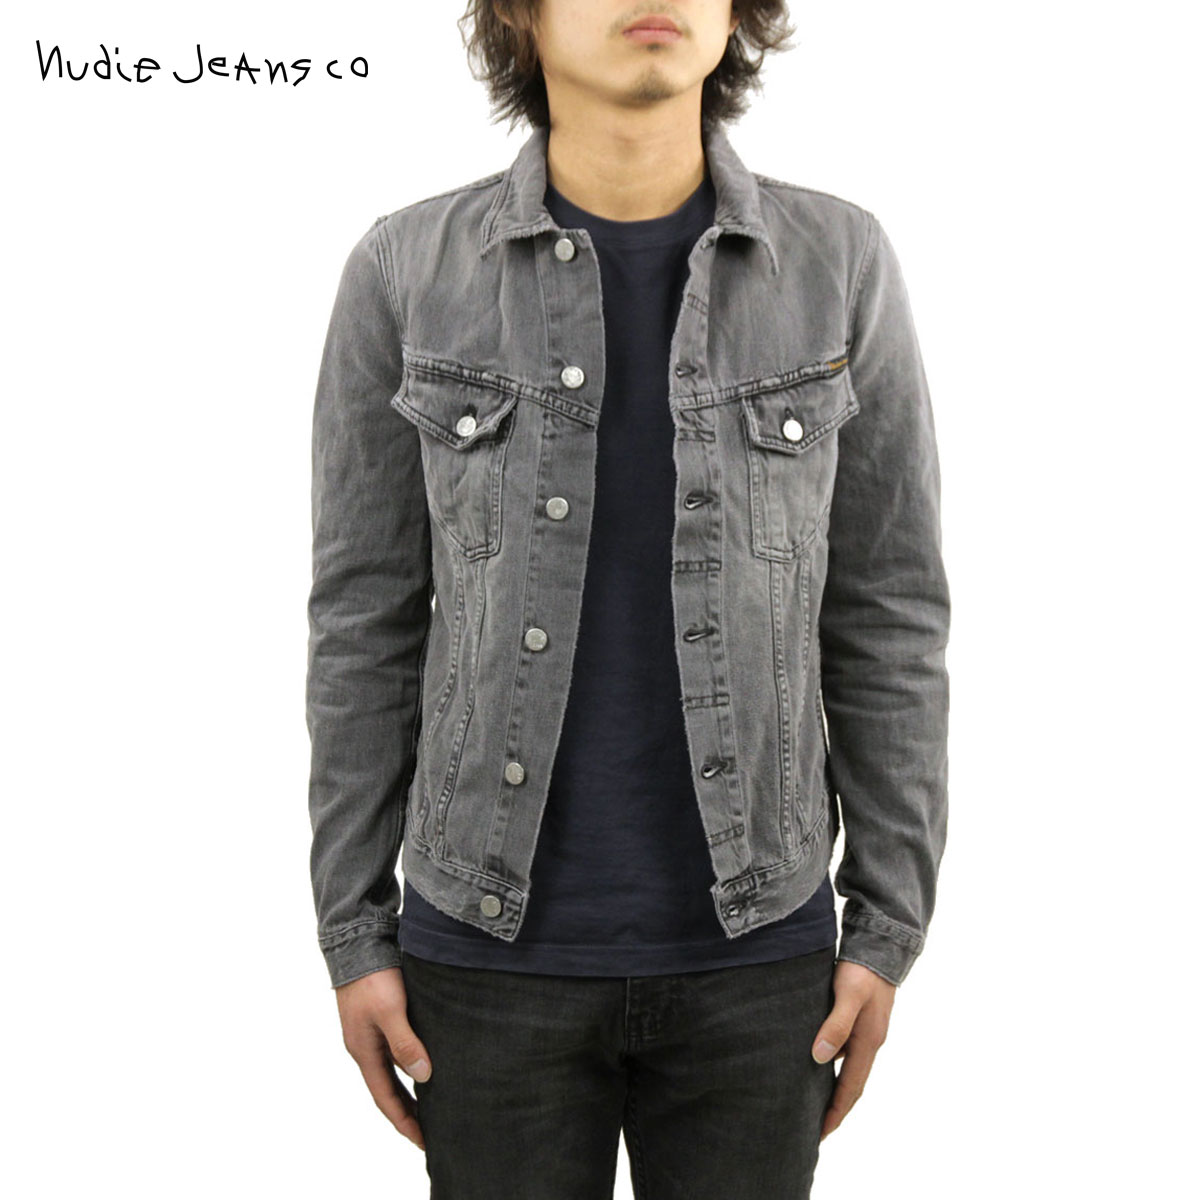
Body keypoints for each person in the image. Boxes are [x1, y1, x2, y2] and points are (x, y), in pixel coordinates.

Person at [305, 2, 950, 1196]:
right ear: (521, 16)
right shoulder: (405, 270)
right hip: (482, 960)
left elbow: (889, 612)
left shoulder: (840, 261)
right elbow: (363, 625)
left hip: (762, 962)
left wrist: (888, 927)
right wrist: (352, 932)